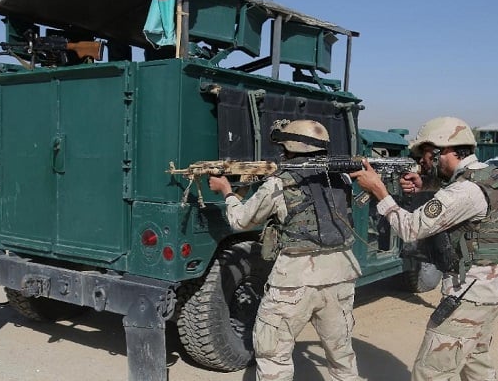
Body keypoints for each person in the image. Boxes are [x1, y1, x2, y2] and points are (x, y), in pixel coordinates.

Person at [208, 119, 363, 381]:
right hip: (340, 275)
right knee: (341, 356)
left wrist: (228, 193)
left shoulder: (279, 183)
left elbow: (241, 220)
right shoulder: (343, 178)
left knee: (273, 357)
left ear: (290, 148)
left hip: (295, 279)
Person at [350, 116, 498, 381]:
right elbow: (462, 200)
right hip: (487, 291)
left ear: (443, 151)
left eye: (426, 155)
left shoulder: (464, 191)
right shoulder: (488, 174)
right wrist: (426, 186)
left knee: (430, 373)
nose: (423, 163)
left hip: (467, 295)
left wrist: (380, 192)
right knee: (477, 367)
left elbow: (410, 229)